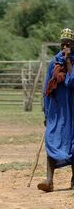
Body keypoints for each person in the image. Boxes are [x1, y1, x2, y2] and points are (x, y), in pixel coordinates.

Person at [38, 28, 74, 192]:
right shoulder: (54, 62)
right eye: (63, 44)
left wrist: (68, 62)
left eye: (68, 44)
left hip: (72, 109)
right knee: (51, 139)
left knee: (72, 142)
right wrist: (46, 112)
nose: (65, 46)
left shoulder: (71, 62)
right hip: (56, 110)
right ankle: (49, 180)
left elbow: (70, 82)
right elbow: (47, 87)